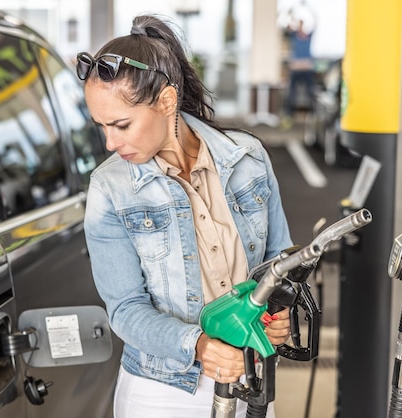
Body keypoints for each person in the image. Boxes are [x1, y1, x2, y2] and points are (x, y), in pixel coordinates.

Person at [79, 14, 294, 418]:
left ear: (166, 101)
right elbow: (125, 309)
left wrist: (282, 310)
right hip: (162, 391)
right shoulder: (109, 189)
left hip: (253, 377)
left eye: (121, 124)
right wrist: (198, 345)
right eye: (101, 126)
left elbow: (279, 261)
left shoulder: (248, 158)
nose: (110, 142)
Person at [281, 14, 315, 130]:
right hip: (296, 70)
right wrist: (291, 14)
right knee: (291, 94)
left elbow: (316, 22)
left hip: (307, 70)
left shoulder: (309, 36)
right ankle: (288, 117)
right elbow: (287, 26)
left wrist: (308, 7)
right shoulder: (294, 36)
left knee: (311, 93)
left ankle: (313, 117)